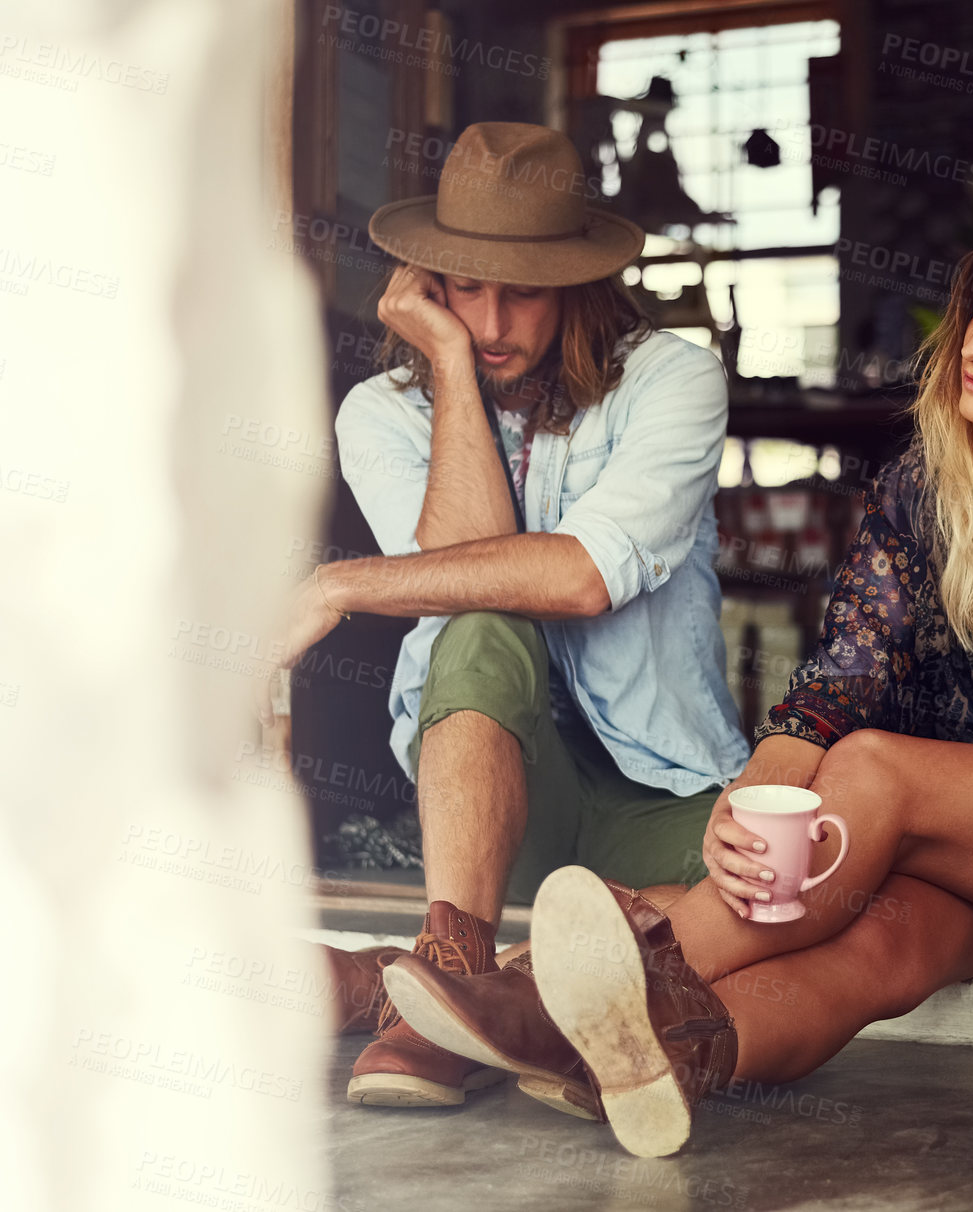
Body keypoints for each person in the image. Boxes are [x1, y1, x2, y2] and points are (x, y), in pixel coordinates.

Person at [377, 206, 973, 1157]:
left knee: (875, 771)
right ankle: (666, 1057)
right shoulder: (927, 479)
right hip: (960, 835)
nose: (971, 347)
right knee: (877, 952)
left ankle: (530, 1009)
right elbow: (840, 679)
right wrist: (746, 804)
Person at [267, 121, 750, 1107]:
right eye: (461, 287)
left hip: (660, 797)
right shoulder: (381, 409)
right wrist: (447, 363)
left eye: (520, 289)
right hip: (494, 803)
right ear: (426, 285)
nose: (489, 319)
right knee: (482, 624)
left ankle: (409, 986)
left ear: (577, 282)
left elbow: (579, 578)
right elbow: (460, 578)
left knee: (774, 903)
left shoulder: (672, 381)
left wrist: (338, 584)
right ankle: (452, 962)